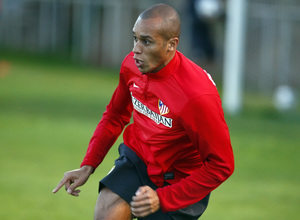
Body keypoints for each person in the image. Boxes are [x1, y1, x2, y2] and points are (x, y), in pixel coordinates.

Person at [52, 3, 234, 220]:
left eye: (146, 41)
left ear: (171, 45)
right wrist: (88, 164)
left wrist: (163, 198)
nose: (136, 49)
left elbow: (222, 164)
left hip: (180, 179)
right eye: (135, 38)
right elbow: (115, 115)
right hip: (138, 160)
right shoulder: (132, 65)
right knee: (106, 212)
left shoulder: (197, 96)